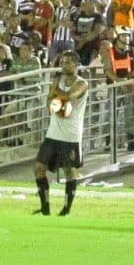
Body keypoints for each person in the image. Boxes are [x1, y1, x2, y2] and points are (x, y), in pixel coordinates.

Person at [33, 50, 89, 216]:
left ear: (76, 64)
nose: (64, 66)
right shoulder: (58, 81)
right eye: (62, 62)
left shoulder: (82, 83)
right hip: (54, 132)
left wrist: (55, 90)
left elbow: (69, 96)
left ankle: (66, 209)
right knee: (39, 168)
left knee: (69, 170)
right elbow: (49, 104)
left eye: (68, 62)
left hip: (71, 134)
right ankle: (45, 206)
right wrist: (54, 100)